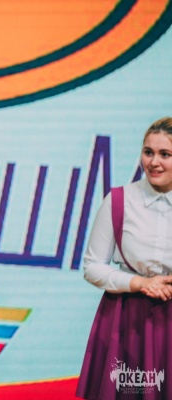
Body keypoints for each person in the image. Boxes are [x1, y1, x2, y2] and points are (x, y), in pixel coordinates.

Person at [77, 117, 172, 399]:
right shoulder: (119, 200)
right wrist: (140, 283)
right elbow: (92, 267)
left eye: (165, 154)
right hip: (125, 320)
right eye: (148, 152)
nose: (154, 162)